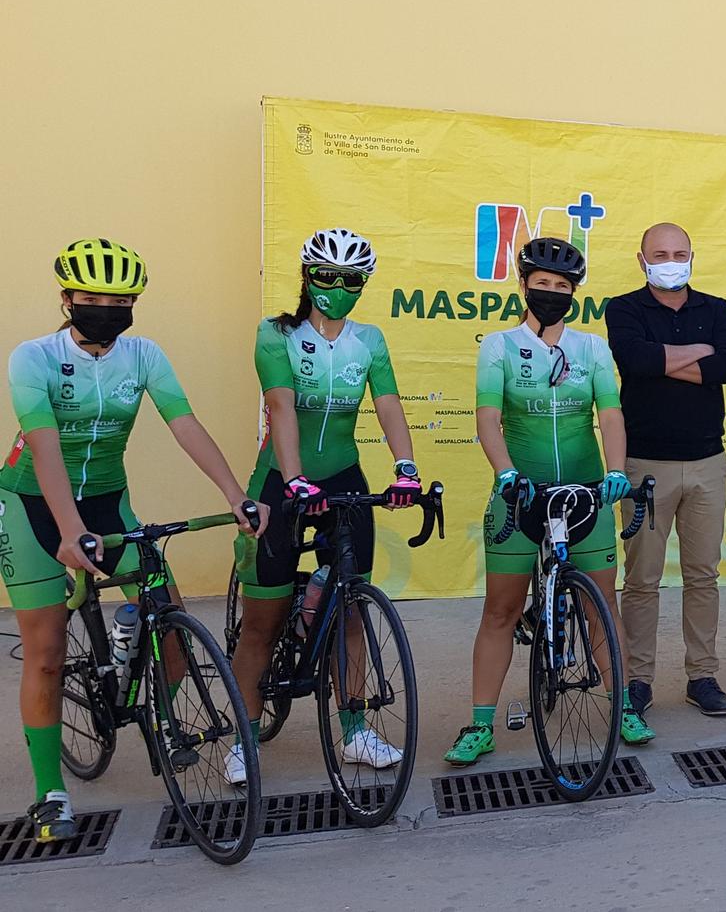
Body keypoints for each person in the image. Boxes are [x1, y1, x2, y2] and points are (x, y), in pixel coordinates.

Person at [2, 239, 265, 843]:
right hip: (31, 504)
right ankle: (50, 793)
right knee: (45, 652)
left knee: (166, 610)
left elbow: (185, 424)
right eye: (92, 298)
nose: (106, 308)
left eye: (119, 299)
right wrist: (70, 534)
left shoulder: (143, 355)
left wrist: (234, 494)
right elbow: (43, 447)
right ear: (66, 299)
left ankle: (160, 715)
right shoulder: (34, 357)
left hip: (106, 498)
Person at [226, 228, 422, 785]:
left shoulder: (370, 340)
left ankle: (356, 729)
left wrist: (405, 467)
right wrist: (293, 480)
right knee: (262, 622)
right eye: (329, 277)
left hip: (343, 477)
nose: (339, 288)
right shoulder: (275, 334)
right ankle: (244, 734)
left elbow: (388, 406)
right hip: (280, 483)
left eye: (352, 280)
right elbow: (281, 408)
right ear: (308, 276)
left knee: (353, 610)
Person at [446, 237, 646, 765]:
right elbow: (488, 417)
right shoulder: (499, 346)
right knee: (501, 611)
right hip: (520, 495)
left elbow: (610, 415)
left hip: (585, 494)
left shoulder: (591, 348)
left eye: (562, 286)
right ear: (524, 285)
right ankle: (481, 723)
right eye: (542, 284)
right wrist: (505, 471)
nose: (552, 293)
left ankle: (622, 705)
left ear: (574, 292)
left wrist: (617, 471)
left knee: (601, 606)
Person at [606, 222, 726, 723]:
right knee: (641, 579)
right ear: (642, 260)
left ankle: (701, 676)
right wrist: (698, 355)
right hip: (644, 465)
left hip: (708, 463)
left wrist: (664, 361)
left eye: (680, 252)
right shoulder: (623, 308)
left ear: (693, 255)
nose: (671, 260)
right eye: (660, 253)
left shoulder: (717, 309)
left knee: (703, 577)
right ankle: (637, 680)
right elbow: (633, 359)